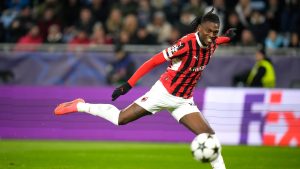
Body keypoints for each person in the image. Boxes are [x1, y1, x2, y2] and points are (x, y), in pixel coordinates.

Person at [54, 8, 236, 169]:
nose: (212, 36)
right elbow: (154, 61)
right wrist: (129, 84)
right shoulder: (186, 43)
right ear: (199, 30)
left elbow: (217, 40)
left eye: (215, 32)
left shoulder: (212, 42)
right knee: (120, 118)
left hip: (184, 101)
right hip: (163, 93)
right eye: (209, 31)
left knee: (211, 139)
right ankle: (80, 105)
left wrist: (227, 37)